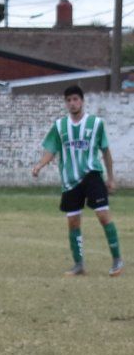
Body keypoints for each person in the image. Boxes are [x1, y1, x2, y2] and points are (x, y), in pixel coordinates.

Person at [32, 85, 123, 277]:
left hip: (92, 176)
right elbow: (52, 150)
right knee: (73, 222)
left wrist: (111, 178)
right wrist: (40, 165)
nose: (72, 103)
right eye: (68, 100)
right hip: (70, 180)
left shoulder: (95, 123)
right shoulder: (60, 126)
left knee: (103, 216)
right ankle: (79, 265)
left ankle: (117, 260)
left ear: (82, 101)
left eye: (75, 99)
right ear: (65, 103)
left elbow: (105, 151)